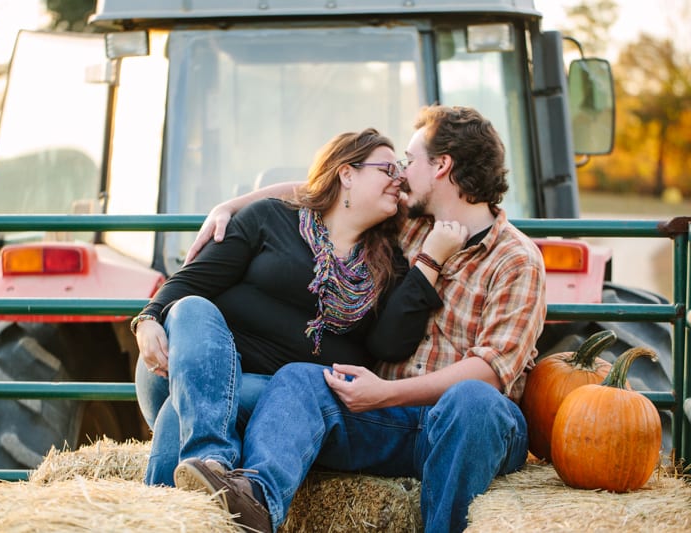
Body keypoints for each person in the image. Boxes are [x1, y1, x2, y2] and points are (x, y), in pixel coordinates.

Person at [173, 105, 547, 533]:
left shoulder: (516, 259)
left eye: (409, 161)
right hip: (391, 424)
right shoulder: (408, 225)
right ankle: (256, 500)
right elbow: (330, 189)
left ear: (442, 165)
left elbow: (490, 373)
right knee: (300, 377)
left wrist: (385, 393)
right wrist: (232, 204)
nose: (400, 174)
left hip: (469, 427)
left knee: (472, 400)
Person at [131, 127, 467, 489]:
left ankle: (181, 498)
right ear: (347, 174)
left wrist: (430, 262)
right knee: (192, 309)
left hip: (274, 394)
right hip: (186, 365)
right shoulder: (269, 219)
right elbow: (190, 283)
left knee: (181, 413)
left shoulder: (391, 265)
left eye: (401, 173)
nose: (398, 179)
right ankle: (213, 458)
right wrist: (148, 321)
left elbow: (389, 345)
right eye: (387, 169)